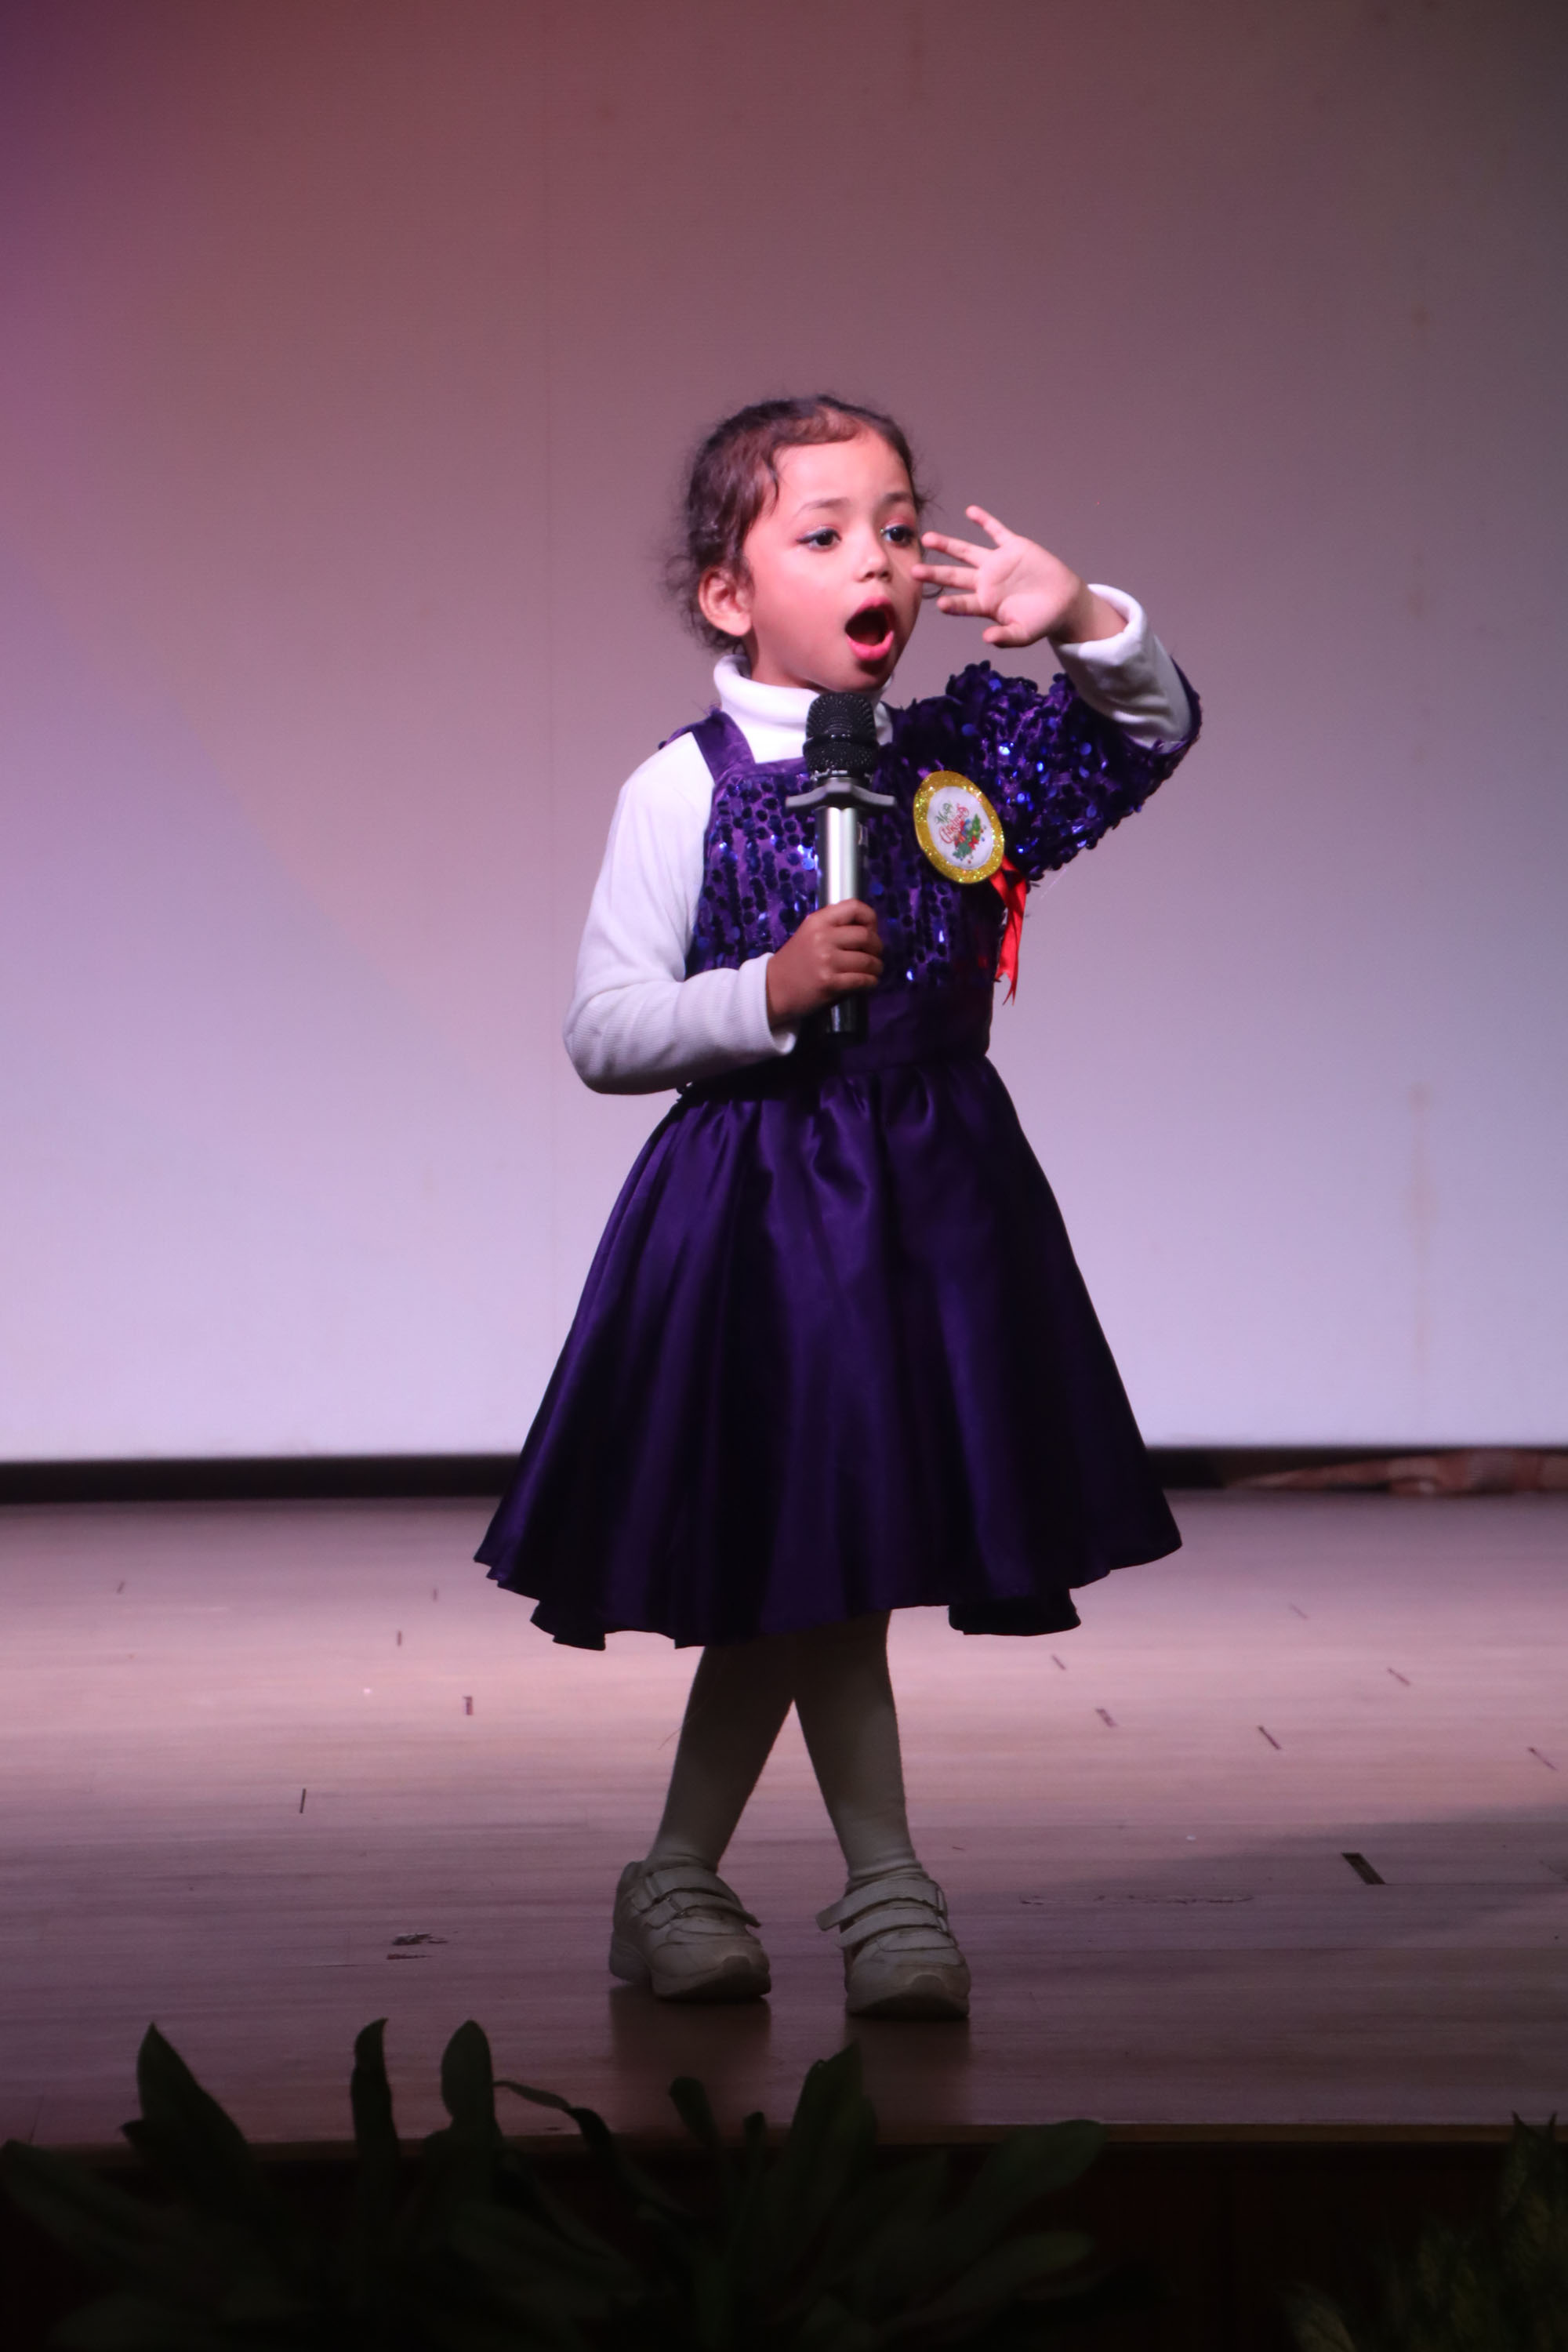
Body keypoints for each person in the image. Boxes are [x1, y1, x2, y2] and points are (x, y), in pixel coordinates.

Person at [478, 395, 1199, 2020]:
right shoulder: (686, 788)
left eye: (896, 524)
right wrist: (769, 992)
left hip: (935, 1205)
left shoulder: (960, 759)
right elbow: (605, 1030)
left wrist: (1080, 617)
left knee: (819, 1554)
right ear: (727, 592)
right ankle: (887, 1892)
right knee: (827, 1557)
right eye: (822, 533)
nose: (873, 557)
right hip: (763, 1213)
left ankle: (677, 1878)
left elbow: (1145, 734)